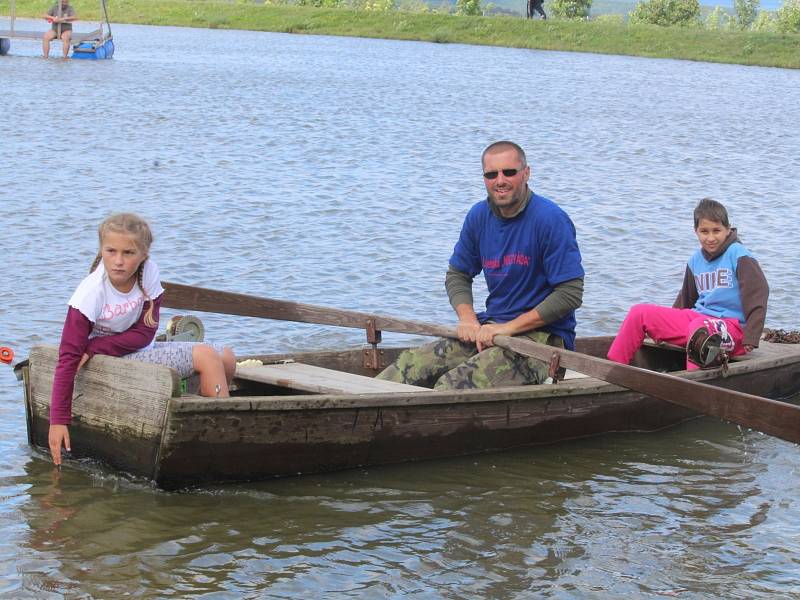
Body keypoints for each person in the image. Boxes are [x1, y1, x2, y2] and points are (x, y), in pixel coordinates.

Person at [377, 141, 585, 390]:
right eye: (491, 174)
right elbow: (458, 274)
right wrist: (468, 320)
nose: (500, 181)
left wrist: (508, 328)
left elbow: (569, 294)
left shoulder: (551, 220)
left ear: (526, 173)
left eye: (509, 172)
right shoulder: (478, 216)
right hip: (490, 327)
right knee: (405, 368)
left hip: (543, 339)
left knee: (452, 386)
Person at [48, 213, 237, 465]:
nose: (118, 261)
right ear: (101, 249)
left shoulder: (148, 273)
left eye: (128, 253)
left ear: (143, 255)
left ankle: (198, 415)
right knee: (207, 357)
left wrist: (95, 347)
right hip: (113, 361)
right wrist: (58, 420)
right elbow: (68, 357)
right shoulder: (91, 293)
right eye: (111, 251)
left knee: (226, 356)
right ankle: (220, 445)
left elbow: (145, 333)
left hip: (131, 348)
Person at [606, 198, 769, 370]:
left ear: (728, 229)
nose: (711, 238)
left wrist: (751, 336)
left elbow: (759, 294)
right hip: (698, 320)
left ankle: (692, 383)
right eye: (704, 232)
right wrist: (664, 330)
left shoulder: (739, 255)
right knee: (639, 312)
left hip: (732, 329)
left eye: (717, 231)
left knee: (699, 329)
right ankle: (612, 371)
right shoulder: (695, 260)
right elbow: (686, 299)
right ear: (696, 231)